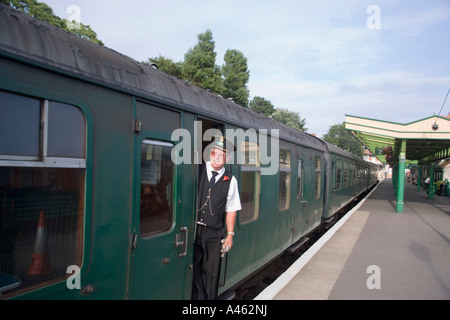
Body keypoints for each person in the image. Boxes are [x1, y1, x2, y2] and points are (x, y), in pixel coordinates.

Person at [192, 136, 242, 300]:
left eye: (221, 155)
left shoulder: (230, 179)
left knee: (211, 272)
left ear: (227, 158)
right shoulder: (197, 170)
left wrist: (230, 234)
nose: (217, 157)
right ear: (209, 154)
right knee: (193, 270)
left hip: (214, 234)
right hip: (193, 230)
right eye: (214, 153)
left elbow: (232, 209)